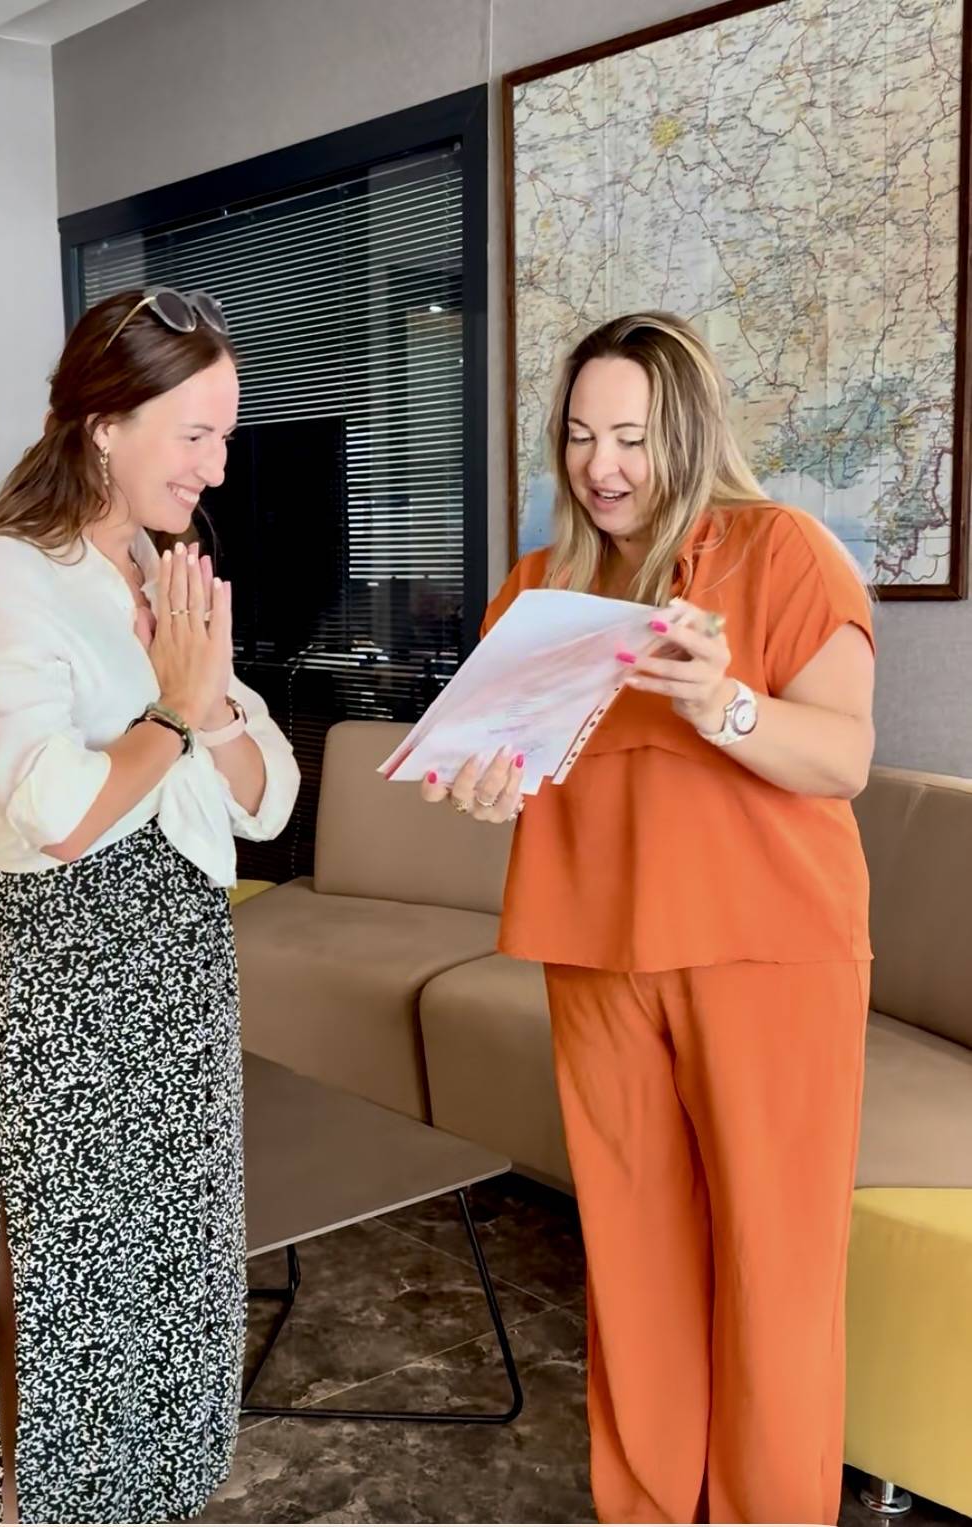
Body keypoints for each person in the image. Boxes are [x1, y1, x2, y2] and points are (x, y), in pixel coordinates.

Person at [423, 312, 875, 1525]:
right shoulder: (539, 591)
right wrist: (486, 788)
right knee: (633, 1257)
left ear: (689, 432)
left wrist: (724, 705)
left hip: (766, 952)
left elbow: (843, 758)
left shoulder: (782, 552)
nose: (601, 465)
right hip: (595, 954)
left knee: (774, 1267)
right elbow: (511, 775)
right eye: (580, 436)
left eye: (630, 436)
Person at [0, 287, 300, 1525]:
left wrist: (214, 709)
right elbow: (57, 814)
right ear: (102, 425)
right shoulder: (3, 580)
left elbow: (270, 799)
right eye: (194, 435)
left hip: (183, 974)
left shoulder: (159, 568)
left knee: (174, 1298)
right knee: (57, 1317)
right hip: (63, 987)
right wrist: (180, 712)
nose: (216, 467)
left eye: (224, 436)